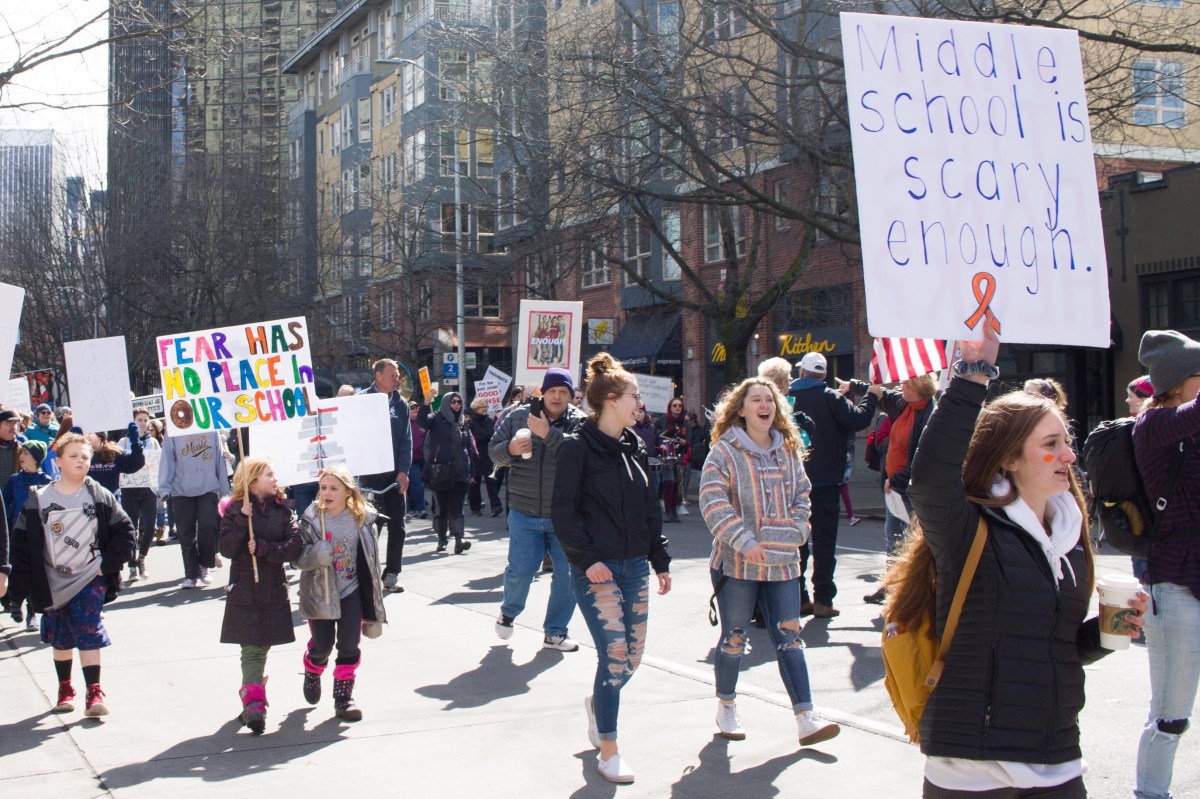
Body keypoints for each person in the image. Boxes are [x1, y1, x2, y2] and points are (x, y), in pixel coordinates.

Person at [891, 313, 1146, 798]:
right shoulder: (971, 529)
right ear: (1009, 459)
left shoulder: (1071, 540)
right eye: (1051, 444)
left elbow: (1055, 647)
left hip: (1056, 756)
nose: (1069, 455)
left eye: (1067, 441)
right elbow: (929, 480)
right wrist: (972, 375)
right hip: (972, 764)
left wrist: (1108, 631)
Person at [700, 376, 840, 749]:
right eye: (756, 400)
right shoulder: (724, 451)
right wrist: (744, 540)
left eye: (769, 400)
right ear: (741, 409)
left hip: (783, 564)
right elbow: (712, 501)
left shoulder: (788, 451)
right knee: (734, 637)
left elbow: (803, 496)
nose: (765, 406)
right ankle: (727, 705)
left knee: (790, 638)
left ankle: (806, 718)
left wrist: (797, 529)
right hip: (737, 565)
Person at [551, 353, 671, 784]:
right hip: (595, 570)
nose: (640, 402)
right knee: (615, 654)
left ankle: (598, 704)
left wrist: (659, 560)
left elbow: (649, 508)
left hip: (634, 566)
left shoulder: (635, 446)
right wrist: (587, 561)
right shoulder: (576, 447)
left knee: (631, 659)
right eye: (634, 395)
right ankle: (609, 749)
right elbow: (563, 512)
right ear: (612, 400)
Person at [6, 432, 137, 717]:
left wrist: (105, 566)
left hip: (91, 578)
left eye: (85, 457)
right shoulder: (39, 499)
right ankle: (65, 689)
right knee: (61, 637)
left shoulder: (99, 495)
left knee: (89, 628)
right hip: (53, 583)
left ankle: (94, 692)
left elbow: (126, 532)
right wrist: (16, 592)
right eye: (74, 456)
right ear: (59, 461)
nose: (80, 461)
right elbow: (21, 547)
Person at [1131, 330, 1200, 799]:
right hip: (1174, 585)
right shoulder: (1153, 425)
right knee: (1171, 713)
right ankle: (1150, 793)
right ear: (1178, 382)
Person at [489, 368, 586, 651]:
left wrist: (549, 434)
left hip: (565, 515)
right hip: (524, 510)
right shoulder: (518, 416)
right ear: (543, 392)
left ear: (571, 395)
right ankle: (508, 612)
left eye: (563, 392)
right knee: (521, 571)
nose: (557, 397)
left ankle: (555, 632)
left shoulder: (580, 422)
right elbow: (493, 451)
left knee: (568, 576)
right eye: (552, 391)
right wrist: (510, 449)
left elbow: (582, 457)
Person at [789, 352, 878, 618]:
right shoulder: (831, 397)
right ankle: (823, 600)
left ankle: (799, 597)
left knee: (797, 542)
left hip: (794, 481)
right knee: (825, 542)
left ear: (802, 372)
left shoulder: (787, 398)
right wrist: (871, 396)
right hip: (826, 480)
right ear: (824, 375)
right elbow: (859, 420)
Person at [217, 456, 302, 734]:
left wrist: (265, 549)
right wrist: (243, 519)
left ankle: (252, 697)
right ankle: (254, 703)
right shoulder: (234, 511)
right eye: (269, 474)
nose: (275, 479)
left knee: (263, 644)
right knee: (251, 647)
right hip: (245, 586)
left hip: (273, 585)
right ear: (252, 480)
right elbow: (227, 549)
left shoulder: (283, 510)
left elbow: (294, 546)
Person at [296, 465, 387, 721]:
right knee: (322, 645)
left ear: (348, 492)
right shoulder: (311, 519)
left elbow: (371, 559)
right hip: (321, 592)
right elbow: (297, 558)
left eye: (334, 488)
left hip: (351, 590)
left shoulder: (362, 519)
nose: (327, 493)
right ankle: (313, 669)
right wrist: (315, 554)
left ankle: (343, 699)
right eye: (323, 488)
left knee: (349, 644)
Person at [862, 373, 938, 604]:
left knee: (915, 542)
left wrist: (896, 479)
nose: (900, 386)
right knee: (894, 539)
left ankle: (914, 592)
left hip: (912, 488)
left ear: (916, 388)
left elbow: (921, 459)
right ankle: (891, 586)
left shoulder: (930, 415)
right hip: (894, 487)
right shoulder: (902, 404)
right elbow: (879, 393)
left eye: (905, 384)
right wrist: (853, 386)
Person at [359, 359, 412, 593]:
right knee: (372, 526)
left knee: (397, 525)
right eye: (391, 374)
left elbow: (406, 441)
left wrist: (404, 471)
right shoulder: (361, 401)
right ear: (377, 376)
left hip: (394, 476)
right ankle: (366, 572)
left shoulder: (401, 405)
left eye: (397, 375)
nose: (396, 378)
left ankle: (392, 574)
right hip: (369, 476)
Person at [158, 429, 229, 590]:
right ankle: (190, 574)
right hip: (181, 490)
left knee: (208, 526)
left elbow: (219, 459)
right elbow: (167, 458)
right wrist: (164, 488)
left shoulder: (210, 427)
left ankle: (204, 564)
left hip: (208, 486)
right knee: (185, 533)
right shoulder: (173, 429)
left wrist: (224, 492)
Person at [418, 388, 475, 554]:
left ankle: (459, 539)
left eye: (459, 402)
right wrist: (426, 402)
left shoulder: (463, 423)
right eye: (453, 402)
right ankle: (442, 538)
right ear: (445, 403)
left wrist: (472, 472)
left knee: (457, 508)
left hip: (460, 471)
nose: (457, 405)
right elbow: (422, 422)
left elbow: (469, 448)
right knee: (441, 509)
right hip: (441, 471)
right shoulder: (436, 418)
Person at [3, 440, 50, 629]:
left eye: (26, 453)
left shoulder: (47, 481)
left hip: (38, 533)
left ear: (36, 458)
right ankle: (15, 602)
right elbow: (6, 502)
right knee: (16, 568)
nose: (21, 457)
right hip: (17, 531)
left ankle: (32, 613)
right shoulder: (14, 479)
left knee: (35, 570)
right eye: (21, 453)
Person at [118, 409, 162, 582]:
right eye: (139, 420)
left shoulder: (153, 442)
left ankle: (142, 557)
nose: (143, 423)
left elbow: (158, 464)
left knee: (150, 527)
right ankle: (132, 565)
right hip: (130, 490)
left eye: (145, 420)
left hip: (148, 489)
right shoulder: (124, 441)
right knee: (132, 528)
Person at [656, 397, 691, 522]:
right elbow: (656, 435)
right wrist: (661, 444)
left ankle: (673, 512)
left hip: (679, 456)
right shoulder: (662, 420)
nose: (677, 408)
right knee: (669, 482)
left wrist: (681, 441)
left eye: (679, 406)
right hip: (667, 456)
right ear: (670, 407)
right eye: (674, 405)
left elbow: (689, 441)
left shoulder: (685, 424)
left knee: (677, 484)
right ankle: (666, 511)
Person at [466, 397, 502, 517]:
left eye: (486, 407)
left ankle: (496, 506)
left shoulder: (490, 422)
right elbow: (472, 440)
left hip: (488, 456)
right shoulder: (470, 423)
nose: (485, 409)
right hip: (475, 457)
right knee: (474, 484)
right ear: (475, 409)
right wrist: (487, 437)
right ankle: (475, 508)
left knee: (491, 482)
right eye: (482, 407)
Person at [86, 426, 145, 497]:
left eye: (90, 433)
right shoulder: (81, 454)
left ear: (100, 436)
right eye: (84, 433)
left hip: (110, 499)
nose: (86, 436)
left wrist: (136, 444)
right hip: (87, 499)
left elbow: (135, 463)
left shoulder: (114, 453)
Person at [408, 401, 428, 519]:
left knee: (415, 484)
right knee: (417, 482)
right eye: (412, 408)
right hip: (411, 459)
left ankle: (411, 508)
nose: (415, 409)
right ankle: (421, 509)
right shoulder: (404, 424)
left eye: (417, 407)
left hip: (423, 459)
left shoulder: (423, 423)